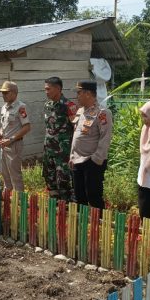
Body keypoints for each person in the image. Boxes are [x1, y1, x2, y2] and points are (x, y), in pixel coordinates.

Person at [69, 80, 113, 209]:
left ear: (88, 93)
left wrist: (96, 159)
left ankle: (98, 226)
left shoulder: (102, 113)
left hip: (92, 161)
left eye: (79, 93)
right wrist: (72, 156)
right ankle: (82, 224)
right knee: (79, 196)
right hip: (77, 160)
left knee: (93, 196)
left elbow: (105, 138)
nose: (77, 96)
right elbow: (76, 135)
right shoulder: (80, 111)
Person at [43, 76, 78, 200]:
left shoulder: (69, 106)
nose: (46, 92)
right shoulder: (47, 105)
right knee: (49, 177)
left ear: (58, 89)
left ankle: (67, 206)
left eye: (48, 89)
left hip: (63, 151)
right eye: (45, 89)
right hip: (49, 149)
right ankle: (55, 205)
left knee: (63, 179)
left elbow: (76, 128)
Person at [0, 81, 31, 192]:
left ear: (14, 93)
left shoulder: (21, 107)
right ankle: (7, 197)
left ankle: (18, 200)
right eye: (2, 93)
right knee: (5, 173)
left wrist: (11, 139)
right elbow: (4, 125)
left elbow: (27, 127)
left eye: (6, 93)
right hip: (4, 145)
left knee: (15, 174)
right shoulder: (4, 107)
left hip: (14, 144)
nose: (3, 95)